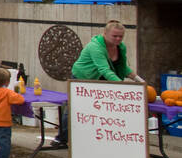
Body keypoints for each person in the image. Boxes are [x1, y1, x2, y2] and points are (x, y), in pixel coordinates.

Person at [50, 20, 145, 148]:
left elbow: (123, 67)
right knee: (74, 107)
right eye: (114, 36)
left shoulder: (121, 47)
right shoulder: (95, 47)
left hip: (101, 79)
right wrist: (122, 86)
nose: (118, 39)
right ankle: (61, 138)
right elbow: (104, 69)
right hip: (83, 77)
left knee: (104, 108)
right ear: (105, 34)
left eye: (120, 36)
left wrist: (140, 81)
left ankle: (100, 137)